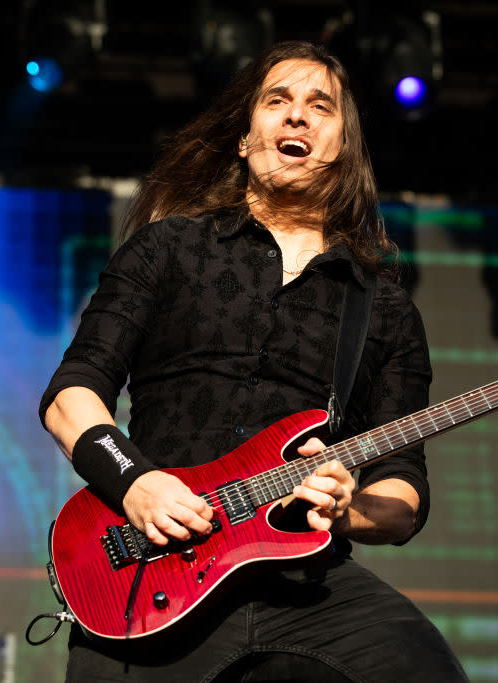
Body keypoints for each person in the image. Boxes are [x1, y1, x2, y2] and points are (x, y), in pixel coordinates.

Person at [39, 40, 468, 682]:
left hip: (306, 585)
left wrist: (346, 508)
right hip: (156, 573)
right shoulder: (169, 248)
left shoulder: (384, 309)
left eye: (319, 106)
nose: (297, 116)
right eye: (277, 101)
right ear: (246, 139)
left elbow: (404, 490)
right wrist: (134, 482)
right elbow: (72, 394)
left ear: (344, 148)